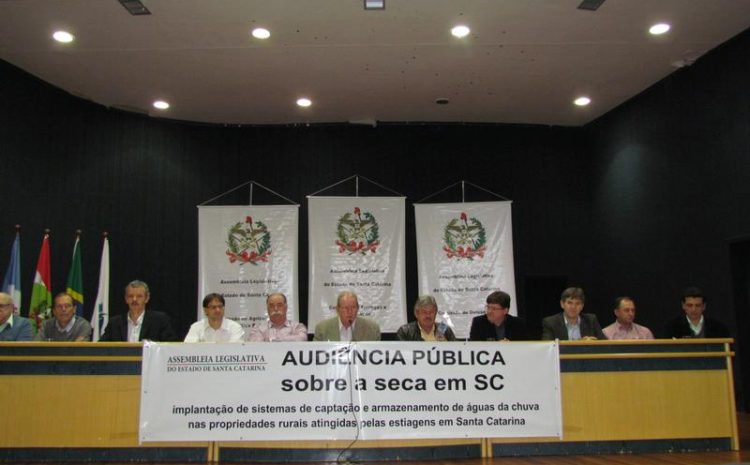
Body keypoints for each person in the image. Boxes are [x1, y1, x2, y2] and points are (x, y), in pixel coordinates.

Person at [100, 280, 178, 342]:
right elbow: (101, 348)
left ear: (147, 298)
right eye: (130, 296)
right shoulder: (114, 323)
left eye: (139, 296)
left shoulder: (159, 321)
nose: (134, 299)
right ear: (126, 299)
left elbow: (170, 346)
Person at [313, 290, 380, 341]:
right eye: (345, 308)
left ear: (358, 308)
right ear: (338, 309)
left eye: (353, 307)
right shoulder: (322, 329)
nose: (349, 311)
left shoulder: (372, 330)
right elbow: (315, 355)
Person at [664, 287, 730, 338]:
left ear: (704, 306)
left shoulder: (718, 328)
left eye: (697, 305)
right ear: (683, 306)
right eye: (689, 305)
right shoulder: (672, 328)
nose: (693, 309)